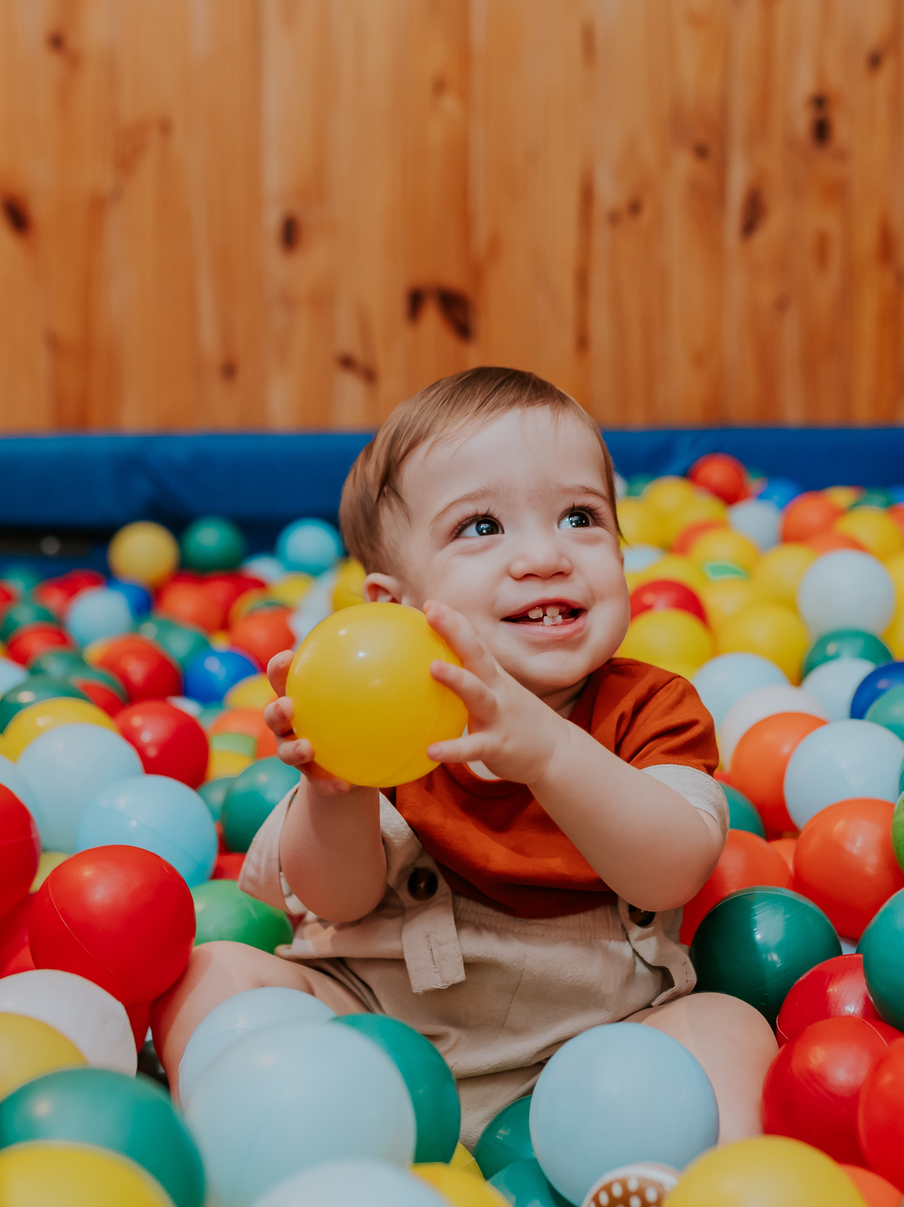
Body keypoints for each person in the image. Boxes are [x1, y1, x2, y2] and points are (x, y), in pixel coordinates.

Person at [153, 367, 777, 1145]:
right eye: (482, 528)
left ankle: (681, 1201)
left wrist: (547, 752)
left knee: (724, 1024)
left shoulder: (650, 709)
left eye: (580, 517)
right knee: (216, 975)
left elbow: (672, 866)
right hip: (381, 1036)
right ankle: (251, 1150)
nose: (545, 556)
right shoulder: (378, 709)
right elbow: (336, 901)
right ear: (396, 608)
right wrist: (336, 793)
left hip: (602, 1054)